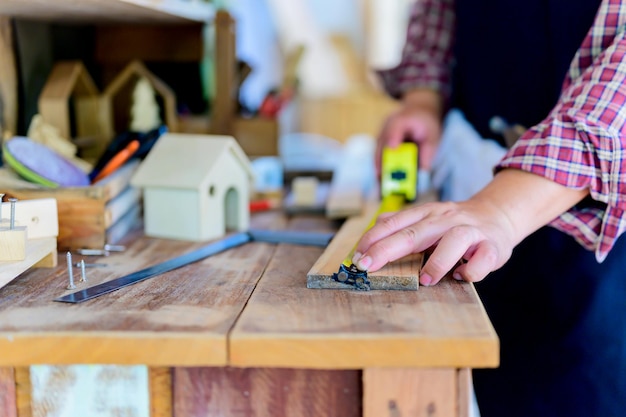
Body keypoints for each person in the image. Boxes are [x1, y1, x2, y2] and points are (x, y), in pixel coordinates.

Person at [352, 0, 626, 416]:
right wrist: (423, 101)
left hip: (601, 217)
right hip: (483, 201)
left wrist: (501, 211)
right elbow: (438, 9)